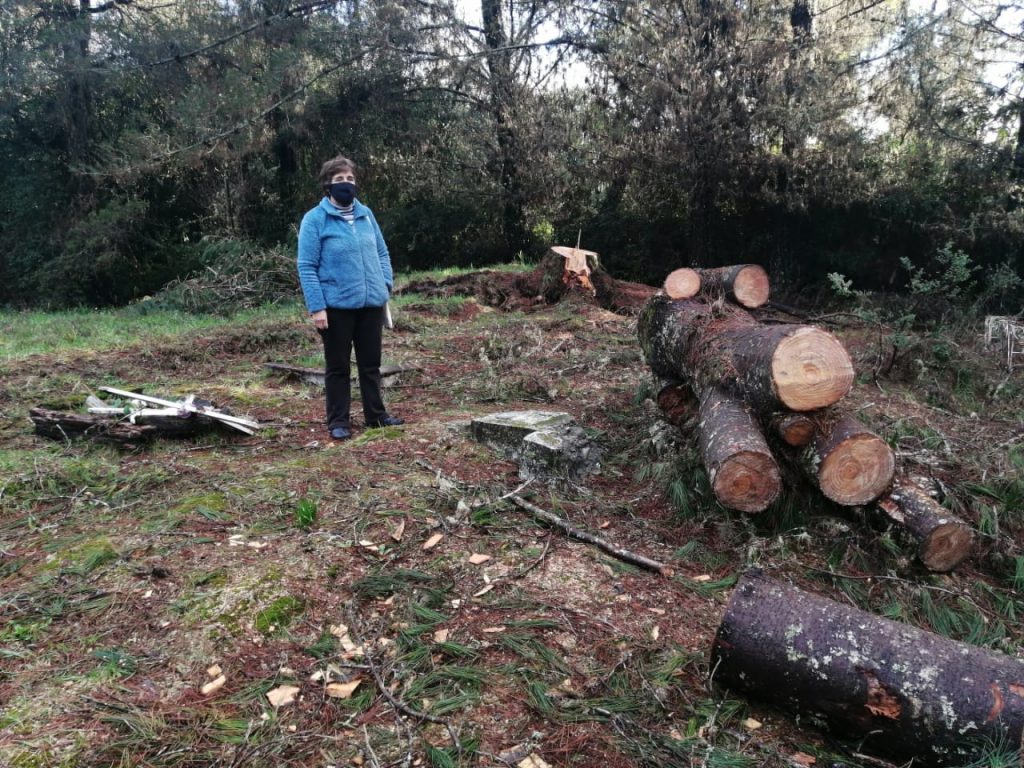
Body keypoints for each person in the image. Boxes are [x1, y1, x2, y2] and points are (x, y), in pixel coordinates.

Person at [297, 155, 404, 440]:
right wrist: (317, 307)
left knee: (371, 365)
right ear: (328, 185)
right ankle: (338, 421)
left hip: (371, 304)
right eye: (339, 180)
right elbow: (306, 266)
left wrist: (385, 284)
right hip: (335, 307)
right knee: (338, 367)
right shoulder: (315, 219)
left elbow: (382, 252)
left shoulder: (366, 214)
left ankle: (376, 415)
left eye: (350, 179)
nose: (346, 184)